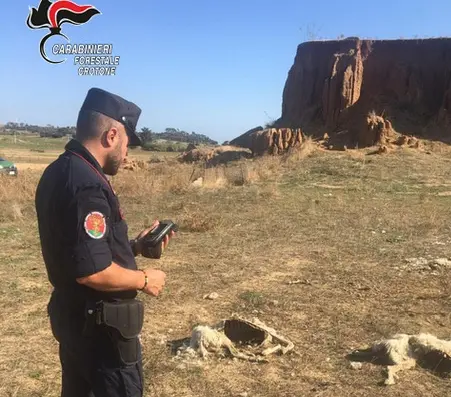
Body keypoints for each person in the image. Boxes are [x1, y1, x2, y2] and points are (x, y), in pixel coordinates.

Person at [35, 87, 175, 397]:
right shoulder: (86, 184)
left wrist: (135, 247)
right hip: (103, 336)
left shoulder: (60, 171)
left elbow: (76, 248)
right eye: (127, 144)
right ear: (111, 136)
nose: (127, 155)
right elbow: (93, 271)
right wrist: (144, 279)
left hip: (77, 325)